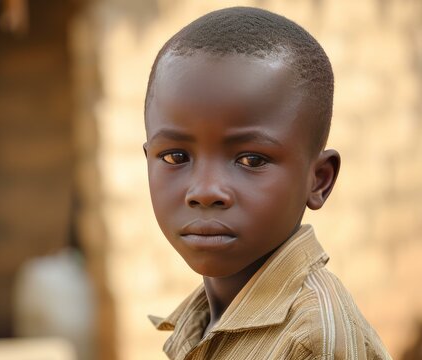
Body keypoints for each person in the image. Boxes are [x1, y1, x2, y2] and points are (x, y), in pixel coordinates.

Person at [143, 6, 391, 360]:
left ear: (318, 179)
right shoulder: (209, 318)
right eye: (175, 157)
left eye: (251, 160)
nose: (205, 190)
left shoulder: (312, 341)